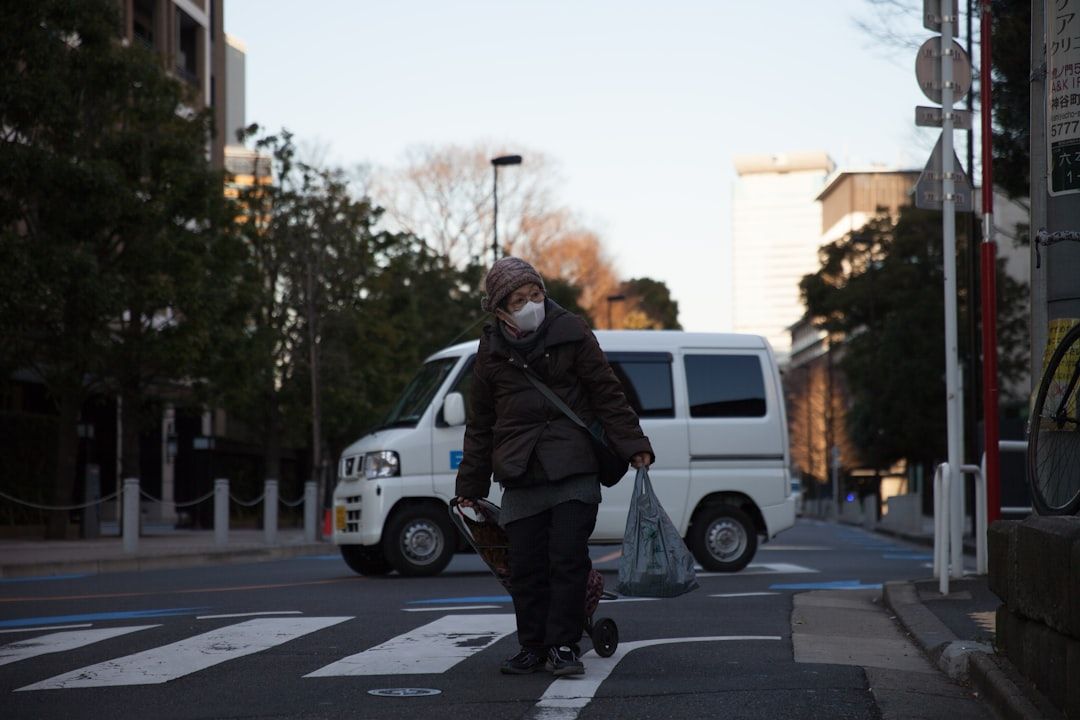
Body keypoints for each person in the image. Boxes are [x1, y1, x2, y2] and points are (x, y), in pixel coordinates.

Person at [454, 257, 653, 678]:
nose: (532, 304)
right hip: (520, 470)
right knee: (524, 566)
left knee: (567, 559)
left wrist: (634, 445)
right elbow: (481, 422)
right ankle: (532, 646)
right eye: (520, 299)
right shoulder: (490, 350)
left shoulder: (572, 331)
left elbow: (607, 392)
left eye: (536, 294)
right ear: (500, 308)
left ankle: (563, 645)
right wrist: (470, 483)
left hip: (573, 465)